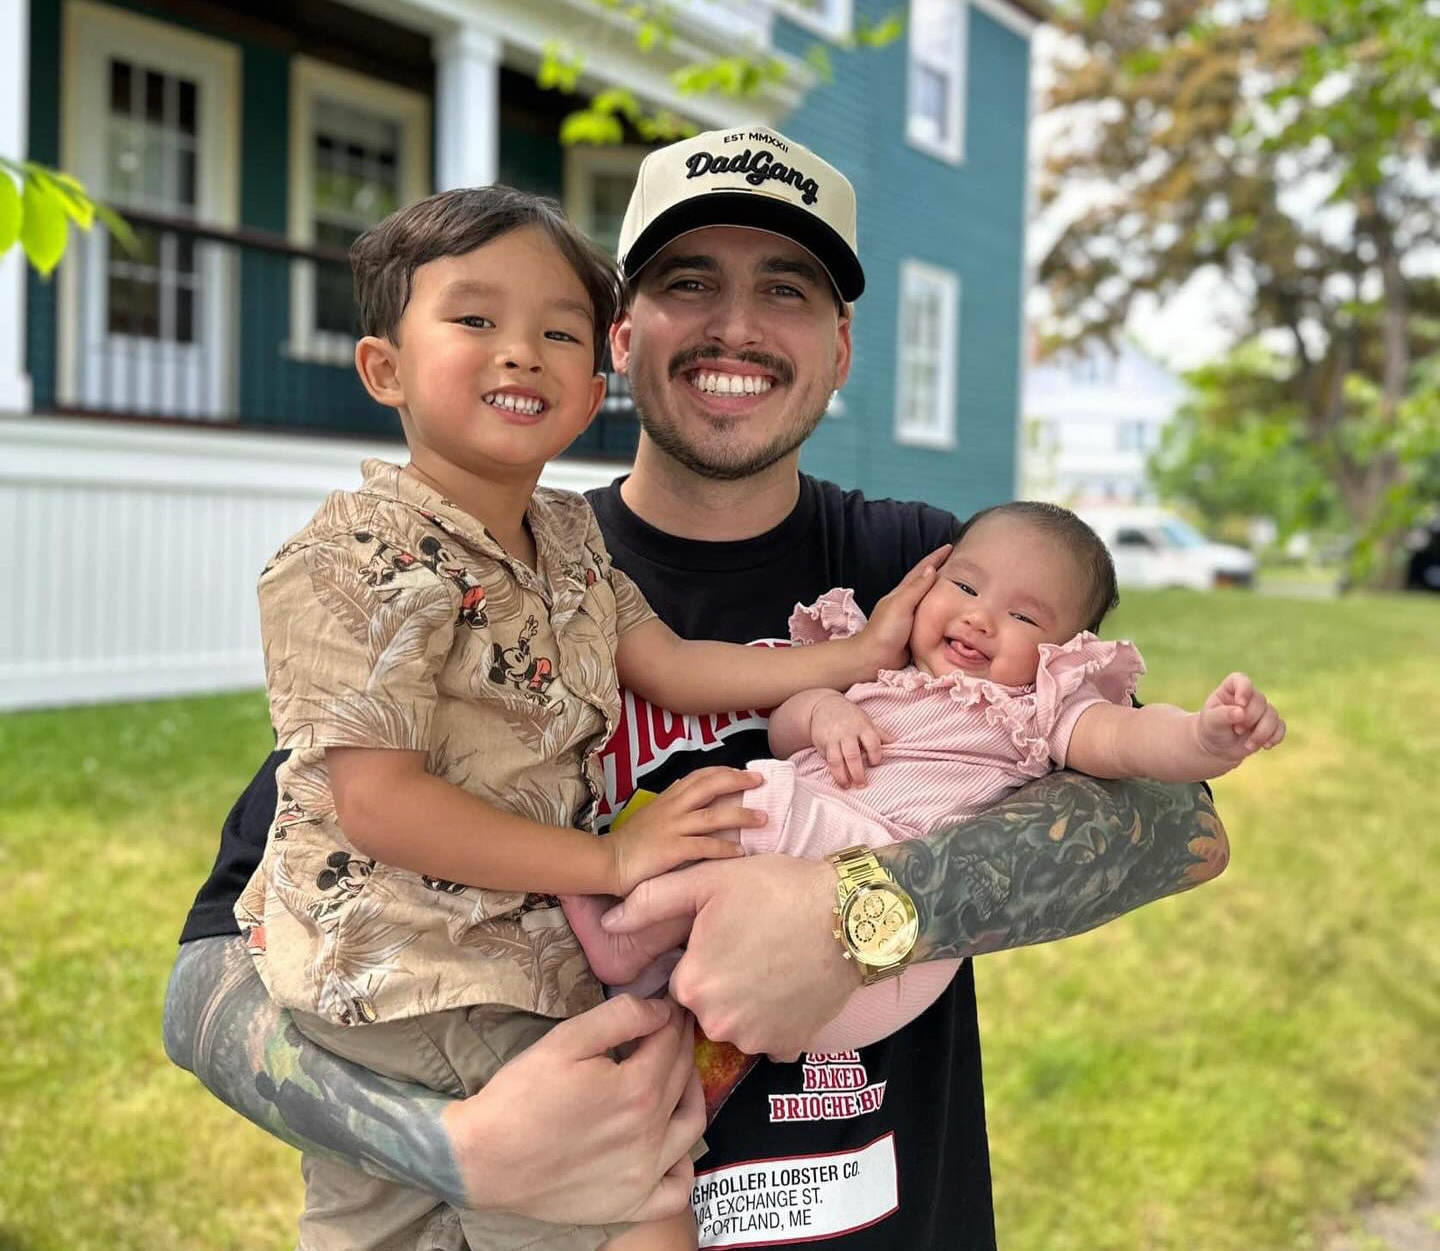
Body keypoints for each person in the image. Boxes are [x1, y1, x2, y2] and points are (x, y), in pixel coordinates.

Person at [165, 124, 1231, 1248]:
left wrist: (857, 915)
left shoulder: (926, 579)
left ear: (842, 347)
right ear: (618, 340)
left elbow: (1181, 827)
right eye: (688, 283)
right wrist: (449, 1151)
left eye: (787, 288)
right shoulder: (497, 561)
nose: (737, 326)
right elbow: (207, 981)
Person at [236, 184, 938, 1251]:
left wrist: (864, 653)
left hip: (521, 973)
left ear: (590, 378)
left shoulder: (568, 542)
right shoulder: (359, 560)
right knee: (648, 1202)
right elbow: (373, 805)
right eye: (474, 321)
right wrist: (608, 861)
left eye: (552, 332)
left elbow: (667, 663)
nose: (519, 354)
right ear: (384, 368)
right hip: (424, 976)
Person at [568, 499, 1284, 1054]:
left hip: (884, 931)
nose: (979, 618)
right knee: (733, 800)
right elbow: (784, 729)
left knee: (745, 801)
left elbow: (1133, 746)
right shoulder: (876, 664)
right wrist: (822, 713)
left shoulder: (1037, 705)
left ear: (1066, 651)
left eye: (1024, 615)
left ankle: (625, 932)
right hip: (768, 950)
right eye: (966, 585)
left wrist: (1203, 735)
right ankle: (637, 956)